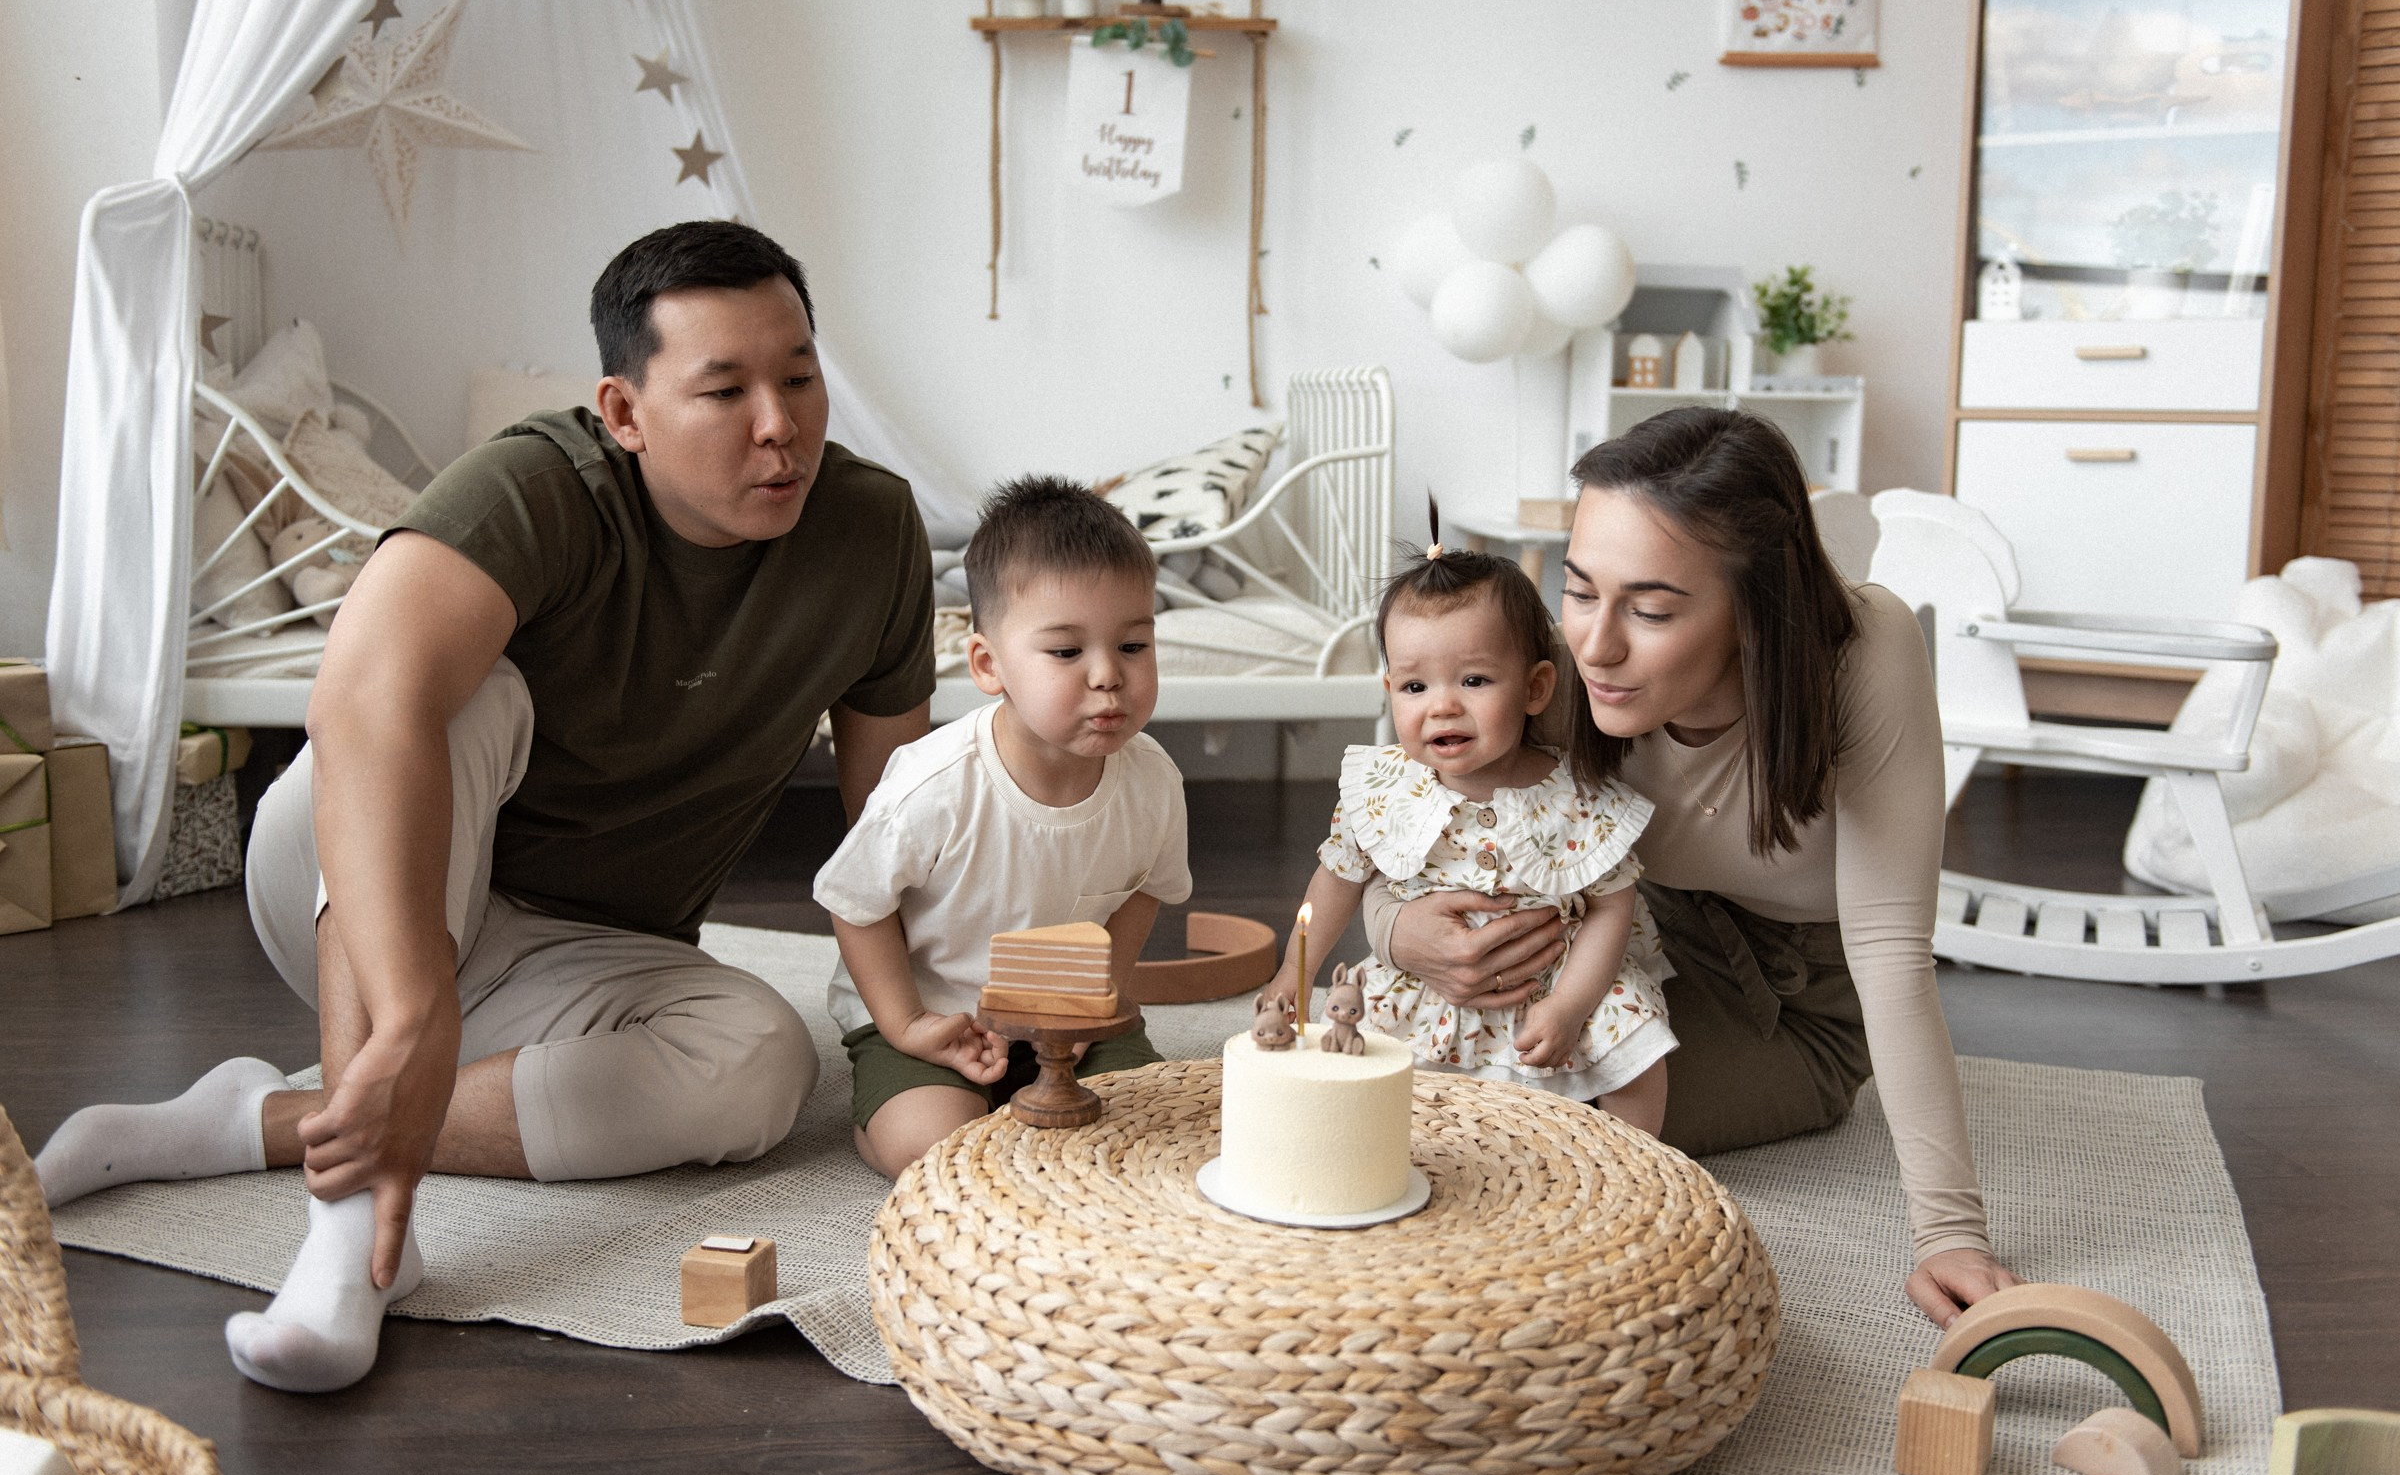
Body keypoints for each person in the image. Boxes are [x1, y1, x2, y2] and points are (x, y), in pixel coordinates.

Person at [34, 221, 937, 1391]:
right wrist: (413, 1009)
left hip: (579, 957)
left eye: (800, 377)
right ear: (624, 413)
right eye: (725, 390)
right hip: (358, 873)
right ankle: (352, 1240)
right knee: (458, 690)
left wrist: (931, 1034)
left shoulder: (871, 533)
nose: (781, 425)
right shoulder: (538, 487)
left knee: (764, 1063)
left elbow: (893, 821)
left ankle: (249, 1122)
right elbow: (359, 702)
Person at [1361, 407, 2022, 1327]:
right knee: (1389, 1086)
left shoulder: (1864, 652)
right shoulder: (1555, 667)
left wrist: (1951, 1236)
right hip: (1623, 940)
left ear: (1757, 610)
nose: (1595, 644)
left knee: (1550, 1129)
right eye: (1580, 588)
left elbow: (1891, 956)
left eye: (1654, 610)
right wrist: (1400, 931)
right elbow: (1394, 827)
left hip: (1797, 997)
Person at [813, 476, 1190, 1178]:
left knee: (1153, 1131)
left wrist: (1092, 1004)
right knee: (933, 1152)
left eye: (1133, 646)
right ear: (990, 665)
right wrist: (907, 1024)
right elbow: (853, 904)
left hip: (1071, 1017)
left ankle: (1033, 1093)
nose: (1108, 676)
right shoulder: (934, 786)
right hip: (936, 1013)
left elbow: (1145, 893)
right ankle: (900, 1104)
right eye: (1067, 652)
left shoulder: (1153, 782)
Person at [1265, 541, 1673, 1134]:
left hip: (1555, 980)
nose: (1442, 707)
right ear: (1389, 690)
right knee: (1352, 1045)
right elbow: (1335, 882)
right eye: (1414, 688)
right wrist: (1293, 976)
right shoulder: (1383, 788)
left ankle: (1635, 1161)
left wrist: (1570, 1006)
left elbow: (1613, 904)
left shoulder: (1573, 793)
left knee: (1637, 1042)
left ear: (1535, 689)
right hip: (1425, 985)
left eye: (1475, 680)